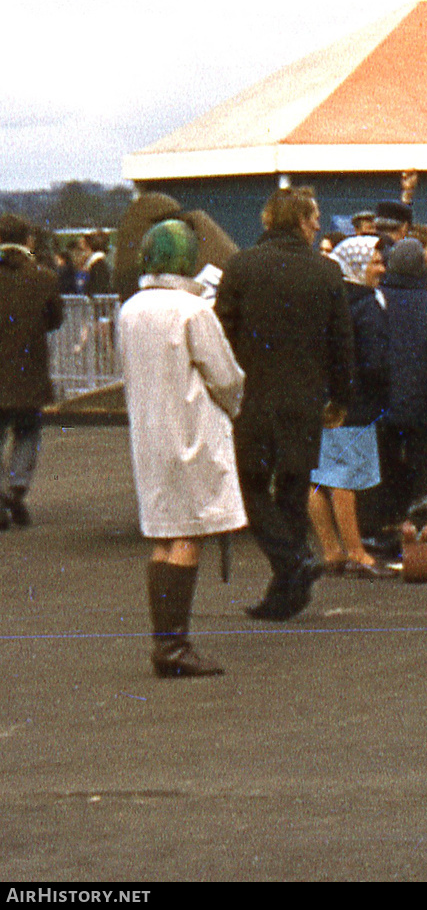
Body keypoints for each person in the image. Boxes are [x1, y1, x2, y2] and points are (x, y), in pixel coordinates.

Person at [214, 186, 355, 621]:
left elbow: (222, 336)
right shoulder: (327, 272)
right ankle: (288, 580)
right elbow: (342, 341)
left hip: (251, 397)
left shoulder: (239, 267)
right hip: (305, 397)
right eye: (314, 218)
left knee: (250, 486)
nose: (318, 226)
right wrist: (342, 396)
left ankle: (290, 567)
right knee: (292, 490)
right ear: (298, 219)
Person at [116, 220, 247, 677]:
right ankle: (173, 648)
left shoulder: (130, 309)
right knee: (188, 530)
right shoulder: (192, 310)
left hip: (149, 429)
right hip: (191, 425)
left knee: (164, 531)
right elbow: (226, 375)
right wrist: (233, 407)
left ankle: (165, 639)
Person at [305, 235, 392, 578]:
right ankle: (357, 552)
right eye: (374, 262)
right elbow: (375, 360)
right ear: (357, 266)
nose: (381, 268)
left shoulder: (328, 299)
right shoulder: (366, 305)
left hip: (325, 399)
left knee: (316, 478)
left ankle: (331, 550)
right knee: (345, 479)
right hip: (357, 405)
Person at [373, 238, 427, 556]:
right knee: (422, 466)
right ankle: (421, 529)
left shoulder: (379, 297)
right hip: (420, 400)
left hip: (385, 399)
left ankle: (387, 530)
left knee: (388, 467)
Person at [0, 213, 62, 529]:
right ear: (28, 240)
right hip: (28, 372)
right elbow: (55, 320)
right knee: (27, 431)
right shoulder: (43, 277)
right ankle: (15, 487)